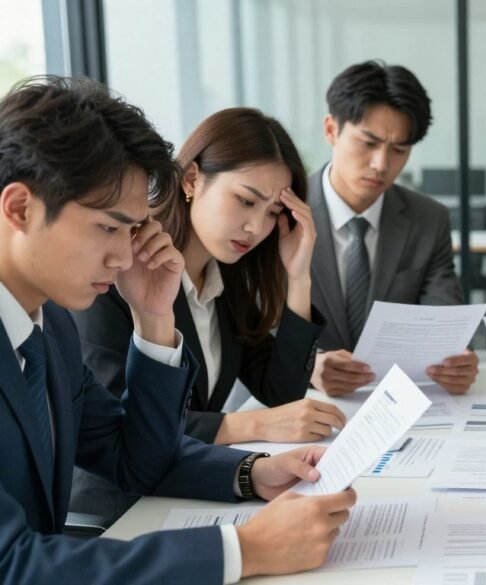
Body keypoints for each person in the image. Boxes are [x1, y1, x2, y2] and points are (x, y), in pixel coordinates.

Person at [0, 76, 355, 583]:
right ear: (20, 208)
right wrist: (241, 550)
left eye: (131, 230)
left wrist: (153, 319)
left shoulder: (47, 325)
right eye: (108, 227)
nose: (125, 256)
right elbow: (12, 565)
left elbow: (131, 456)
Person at [70, 107, 345, 524]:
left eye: (273, 212)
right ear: (193, 179)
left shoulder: (224, 282)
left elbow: (282, 392)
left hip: (186, 496)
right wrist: (243, 425)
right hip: (112, 512)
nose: (255, 227)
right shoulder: (117, 275)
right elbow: (117, 421)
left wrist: (299, 277)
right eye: (246, 200)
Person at [309, 60, 478, 396]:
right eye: (368, 143)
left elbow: (445, 322)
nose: (381, 164)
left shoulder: (427, 220)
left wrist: (456, 361)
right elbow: (255, 330)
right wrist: (307, 366)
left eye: (399, 150)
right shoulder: (283, 213)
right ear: (331, 130)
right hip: (303, 405)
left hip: (400, 404)